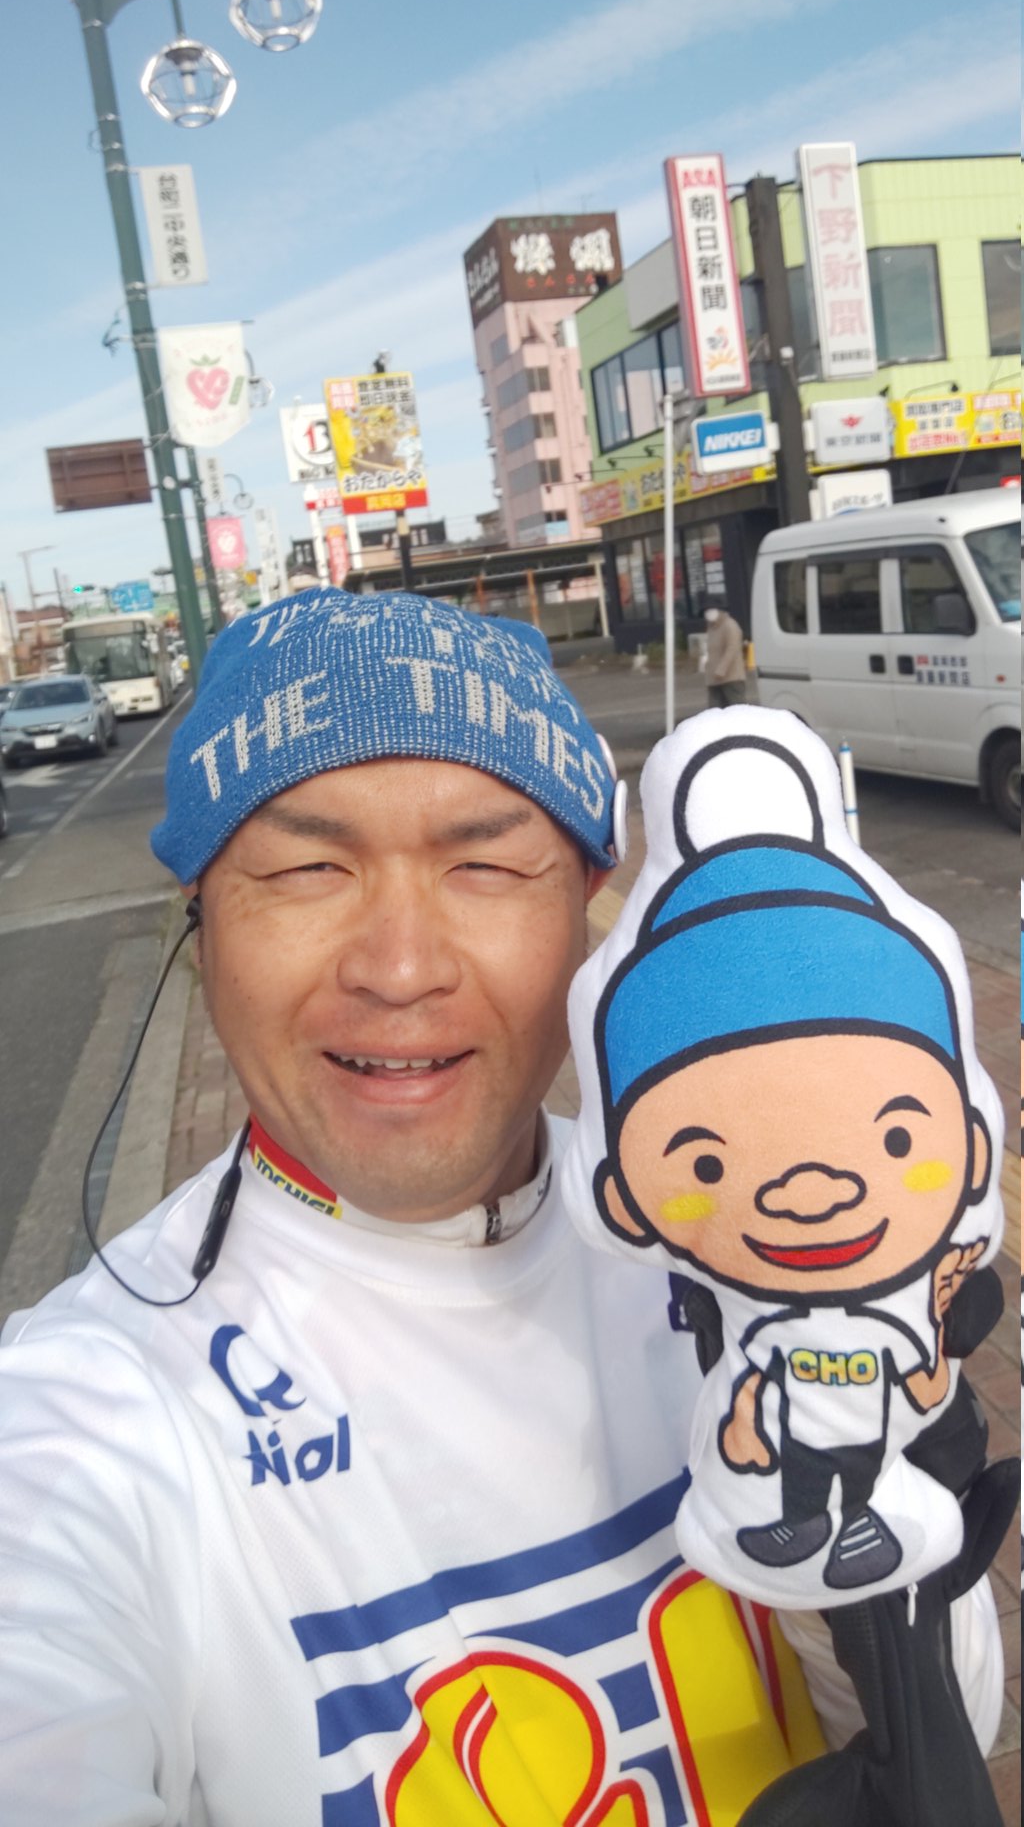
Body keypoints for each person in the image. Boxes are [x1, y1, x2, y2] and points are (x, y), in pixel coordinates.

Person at [0, 590, 1002, 1826]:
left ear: (590, 910)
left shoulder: (734, 1246)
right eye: (306, 867)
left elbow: (957, 1722)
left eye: (484, 864)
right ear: (200, 925)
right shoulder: (86, 1409)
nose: (401, 965)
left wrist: (870, 1530)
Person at [700, 593, 748, 707]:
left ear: (720, 610)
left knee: (736, 709)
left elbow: (732, 648)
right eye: (706, 611)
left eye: (711, 610)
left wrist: (721, 669)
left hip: (732, 678)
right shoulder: (711, 627)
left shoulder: (730, 625)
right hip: (713, 679)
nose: (708, 613)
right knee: (714, 711)